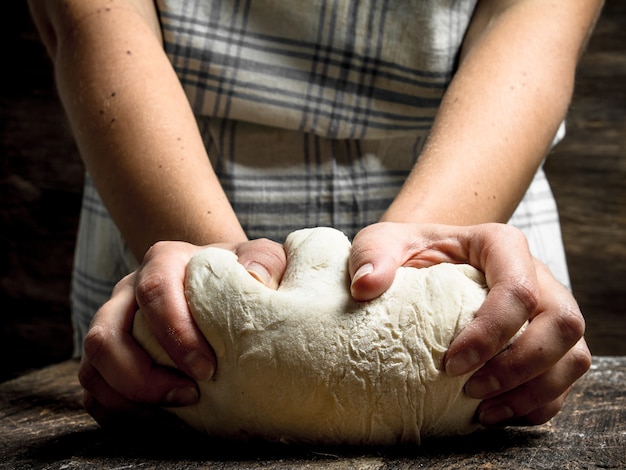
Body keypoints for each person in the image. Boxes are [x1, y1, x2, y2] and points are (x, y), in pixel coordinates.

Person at [27, 0, 601, 430]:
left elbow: (533, 20)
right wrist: (206, 272)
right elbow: (92, 17)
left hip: (472, 221)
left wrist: (417, 252)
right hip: (163, 212)